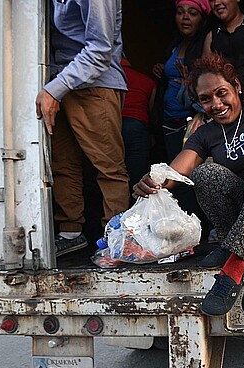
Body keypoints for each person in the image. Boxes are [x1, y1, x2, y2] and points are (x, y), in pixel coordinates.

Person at [133, 53, 244, 316]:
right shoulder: (206, 134)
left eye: (222, 93)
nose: (217, 104)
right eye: (206, 99)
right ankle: (234, 244)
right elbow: (177, 170)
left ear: (237, 86)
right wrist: (153, 181)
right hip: (239, 217)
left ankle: (233, 265)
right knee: (205, 173)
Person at [35, 0, 129, 257]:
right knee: (62, 163)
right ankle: (70, 232)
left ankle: (116, 240)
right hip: (58, 82)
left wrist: (54, 89)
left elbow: (100, 50)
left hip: (95, 84)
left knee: (108, 167)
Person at [151, 0, 212, 214]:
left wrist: (192, 81)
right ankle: (184, 229)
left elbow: (209, 85)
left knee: (190, 178)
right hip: (169, 120)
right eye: (180, 12)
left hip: (191, 121)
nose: (185, 17)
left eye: (192, 13)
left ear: (202, 19)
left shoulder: (204, 44)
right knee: (174, 181)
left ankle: (200, 230)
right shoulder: (176, 44)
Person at [121, 57, 157, 189]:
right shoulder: (147, 81)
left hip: (113, 125)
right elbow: (150, 109)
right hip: (137, 125)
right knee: (137, 172)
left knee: (112, 169)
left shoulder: (109, 80)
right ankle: (137, 204)